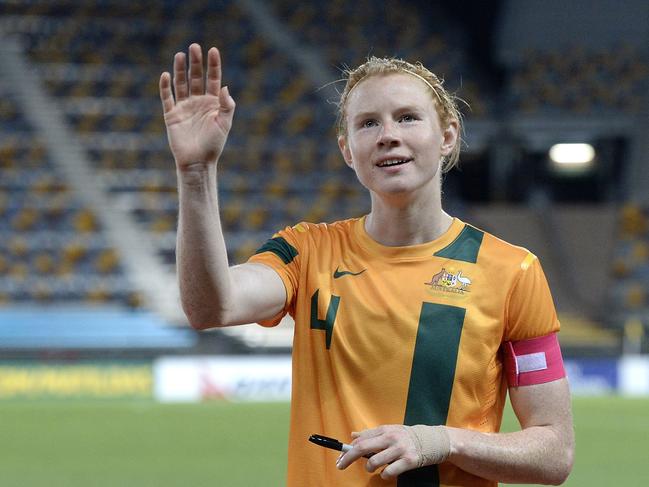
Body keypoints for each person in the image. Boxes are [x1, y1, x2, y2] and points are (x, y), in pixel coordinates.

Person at [159, 43, 575, 487]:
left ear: (448, 136)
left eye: (408, 117)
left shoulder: (513, 271)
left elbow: (553, 453)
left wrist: (439, 442)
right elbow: (210, 308)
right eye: (368, 123)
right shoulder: (305, 252)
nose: (387, 135)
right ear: (347, 150)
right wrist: (196, 174)